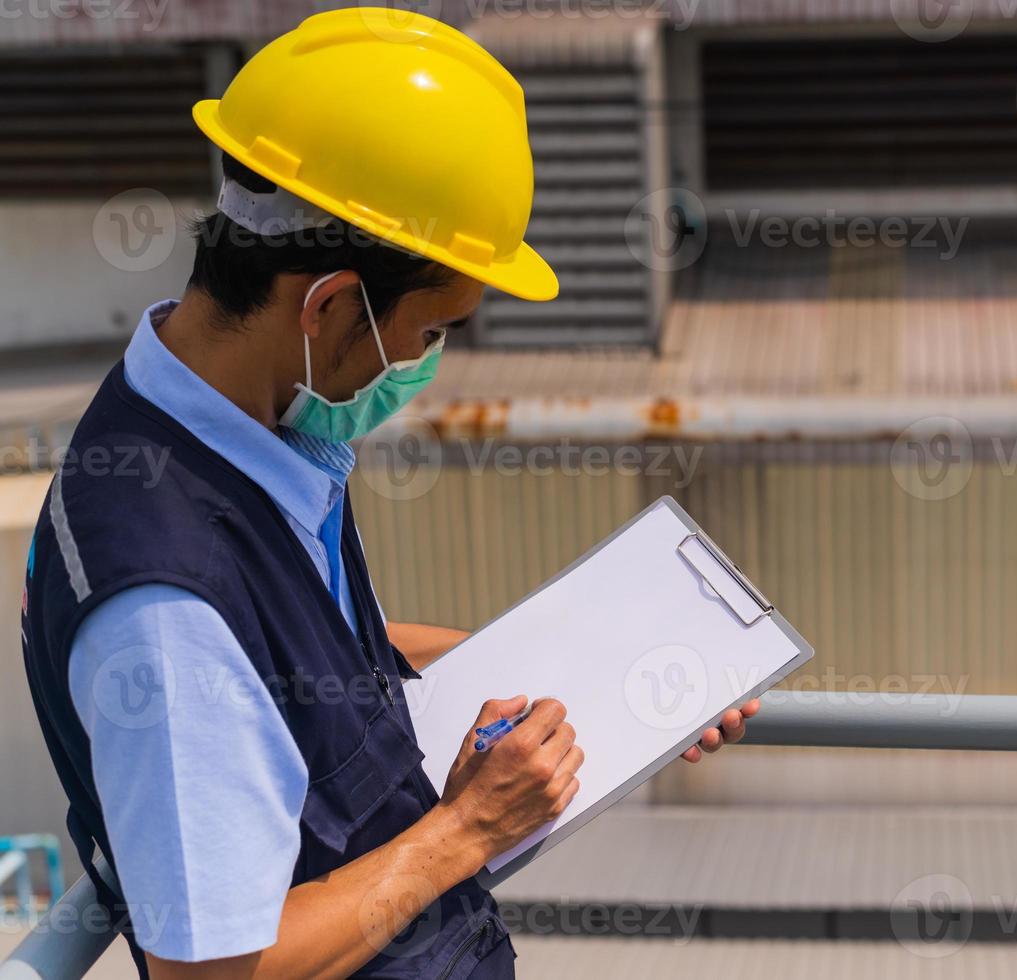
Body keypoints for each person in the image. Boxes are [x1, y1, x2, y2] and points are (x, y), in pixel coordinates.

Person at [20, 9, 758, 978]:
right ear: (328, 306)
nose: (425, 365)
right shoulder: (164, 603)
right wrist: (466, 828)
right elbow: (209, 971)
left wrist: (606, 680)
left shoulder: (240, 425)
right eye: (432, 332)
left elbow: (291, 651)